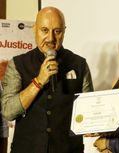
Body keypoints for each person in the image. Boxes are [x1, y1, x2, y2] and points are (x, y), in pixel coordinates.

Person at [0, 7, 93, 153]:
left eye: (57, 31)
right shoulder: (18, 64)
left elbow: (89, 112)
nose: (50, 38)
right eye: (44, 30)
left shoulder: (79, 64)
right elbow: (8, 112)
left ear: (64, 31)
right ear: (34, 29)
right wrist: (38, 81)